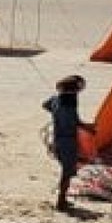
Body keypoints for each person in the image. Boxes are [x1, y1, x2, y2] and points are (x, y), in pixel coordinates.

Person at [42, 75, 93, 212]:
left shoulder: (56, 99)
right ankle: (61, 201)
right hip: (67, 140)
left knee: (66, 170)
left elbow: (45, 105)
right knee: (67, 171)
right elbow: (73, 123)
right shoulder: (68, 104)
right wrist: (89, 127)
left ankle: (62, 199)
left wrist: (55, 113)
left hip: (58, 139)